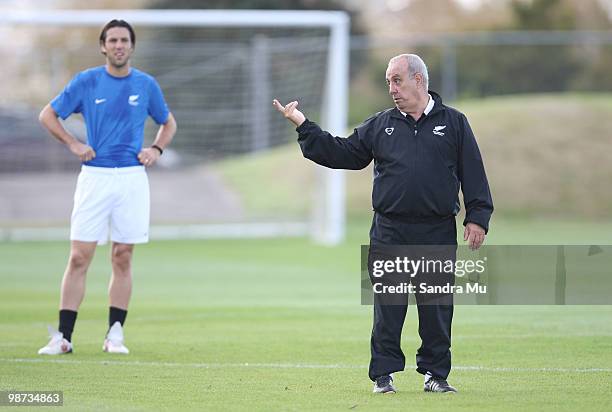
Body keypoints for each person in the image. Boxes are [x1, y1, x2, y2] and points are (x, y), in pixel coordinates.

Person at [273, 54, 493, 393]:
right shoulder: (381, 124)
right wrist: (303, 123)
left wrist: (477, 218)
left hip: (436, 230)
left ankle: (435, 375)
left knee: (436, 309)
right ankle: (383, 376)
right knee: (388, 308)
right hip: (389, 229)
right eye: (389, 81)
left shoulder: (454, 123)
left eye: (397, 80)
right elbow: (343, 152)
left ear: (419, 80)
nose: (391, 88)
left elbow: (473, 173)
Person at [37, 19, 177, 355]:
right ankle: (63, 337)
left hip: (131, 178)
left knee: (123, 256)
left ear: (131, 46)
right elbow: (47, 115)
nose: (118, 45)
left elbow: (168, 123)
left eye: (124, 40)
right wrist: (73, 144)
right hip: (95, 178)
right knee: (79, 256)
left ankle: (115, 335)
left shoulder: (146, 84)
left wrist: (155, 149)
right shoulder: (86, 82)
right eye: (112, 40)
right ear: (103, 46)